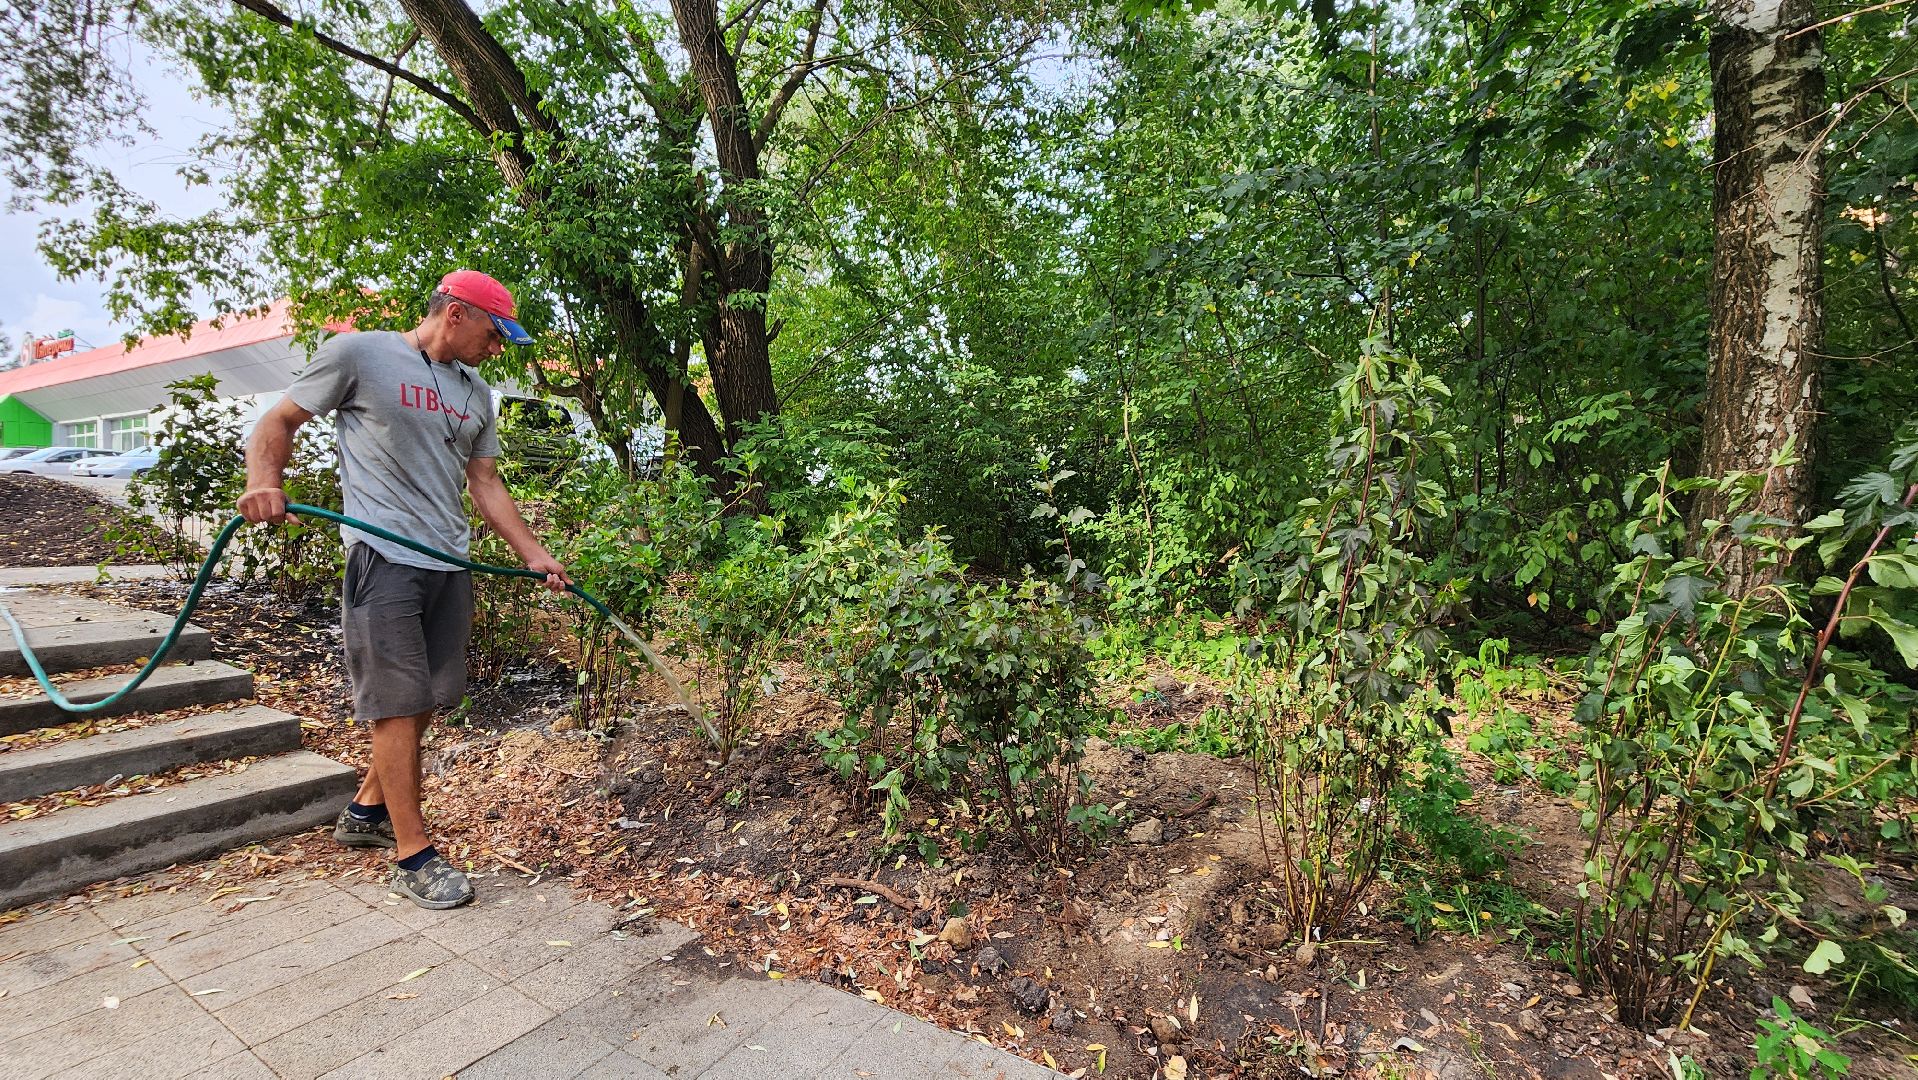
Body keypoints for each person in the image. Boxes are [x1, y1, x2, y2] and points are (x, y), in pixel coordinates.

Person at [239, 270, 571, 909]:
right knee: (396, 702)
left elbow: (485, 483)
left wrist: (534, 554)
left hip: (449, 560)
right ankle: (412, 854)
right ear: (455, 313)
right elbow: (278, 421)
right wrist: (264, 481)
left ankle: (366, 810)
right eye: (495, 334)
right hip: (382, 555)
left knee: (427, 700)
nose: (498, 349)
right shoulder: (359, 354)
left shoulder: (477, 393)